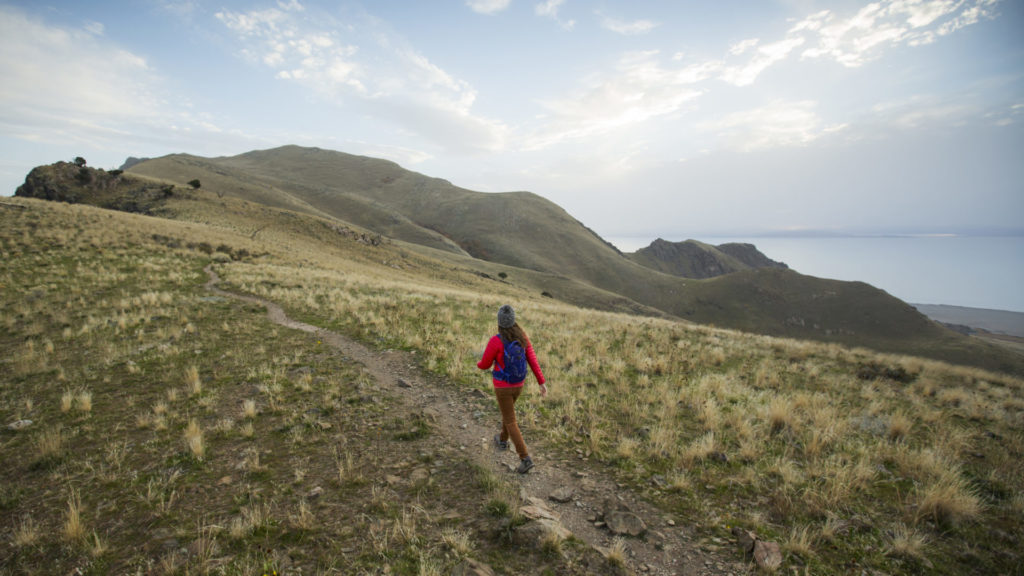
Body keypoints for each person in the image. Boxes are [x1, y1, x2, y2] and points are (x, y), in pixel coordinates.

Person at [477, 304, 547, 473]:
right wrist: (541, 382)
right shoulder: (523, 337)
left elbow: (485, 365)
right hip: (519, 385)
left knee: (510, 420)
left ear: (499, 322)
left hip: (503, 387)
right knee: (508, 413)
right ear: (513, 320)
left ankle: (525, 458)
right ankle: (502, 439)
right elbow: (532, 360)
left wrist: (478, 363)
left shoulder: (496, 340)